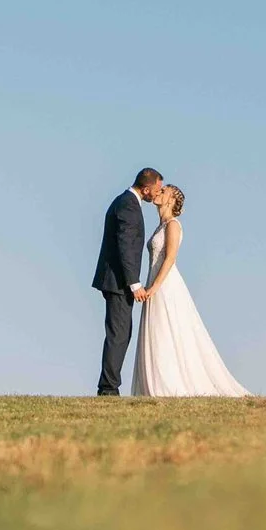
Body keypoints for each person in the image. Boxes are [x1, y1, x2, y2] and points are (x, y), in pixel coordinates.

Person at [128, 183, 250, 398]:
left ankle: (169, 384)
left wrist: (155, 286)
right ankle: (153, 383)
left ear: (171, 200)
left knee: (167, 330)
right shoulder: (159, 226)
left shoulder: (173, 225)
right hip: (152, 281)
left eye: (163, 191)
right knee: (156, 331)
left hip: (165, 284)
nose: (158, 192)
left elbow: (170, 257)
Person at [92, 168, 161, 395]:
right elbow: (125, 246)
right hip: (119, 283)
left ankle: (109, 385)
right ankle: (108, 389)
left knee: (121, 333)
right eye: (157, 189)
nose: (157, 194)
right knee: (119, 334)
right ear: (146, 188)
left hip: (116, 281)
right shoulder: (129, 205)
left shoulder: (124, 201)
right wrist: (135, 283)